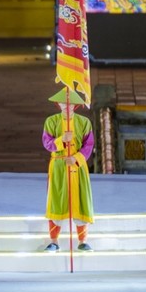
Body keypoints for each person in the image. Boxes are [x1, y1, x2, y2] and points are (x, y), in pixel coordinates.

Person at [41, 87, 94, 253]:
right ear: (59, 104)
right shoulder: (51, 121)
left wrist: (77, 158)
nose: (67, 106)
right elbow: (46, 142)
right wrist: (61, 140)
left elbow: (89, 145)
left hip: (77, 167)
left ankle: (83, 241)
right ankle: (54, 241)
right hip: (59, 165)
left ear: (75, 106)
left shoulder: (84, 122)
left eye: (70, 103)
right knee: (57, 200)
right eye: (64, 103)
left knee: (80, 200)